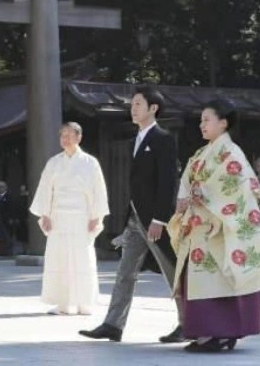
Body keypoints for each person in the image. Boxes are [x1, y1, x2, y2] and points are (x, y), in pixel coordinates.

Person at [166, 99, 260, 353]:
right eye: (201, 120)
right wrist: (187, 199)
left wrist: (204, 195)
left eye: (207, 120)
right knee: (202, 281)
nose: (202, 125)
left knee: (222, 277)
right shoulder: (201, 154)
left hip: (220, 226)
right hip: (200, 224)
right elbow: (187, 181)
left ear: (223, 123)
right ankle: (206, 331)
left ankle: (223, 332)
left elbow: (243, 186)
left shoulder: (232, 153)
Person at [79, 85, 183, 344]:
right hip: (135, 219)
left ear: (153, 108)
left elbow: (168, 182)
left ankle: (188, 323)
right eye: (132, 104)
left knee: (173, 271)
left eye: (137, 104)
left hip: (156, 221)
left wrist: (160, 218)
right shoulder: (135, 139)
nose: (132, 108)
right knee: (125, 272)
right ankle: (113, 324)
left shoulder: (163, 138)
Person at [30, 122, 109, 315]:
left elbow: (98, 191)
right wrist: (45, 214)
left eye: (68, 135)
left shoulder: (90, 163)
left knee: (83, 258)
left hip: (82, 216)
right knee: (60, 258)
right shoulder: (54, 163)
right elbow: (46, 189)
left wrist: (96, 215)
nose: (64, 139)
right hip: (59, 217)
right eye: (62, 135)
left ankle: (84, 302)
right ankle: (64, 303)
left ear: (78, 137)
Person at [0, 180, 18, 256]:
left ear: (5, 187)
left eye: (2, 187)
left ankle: (9, 251)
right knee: (1, 236)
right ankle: (2, 251)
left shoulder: (9, 196)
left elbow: (12, 208)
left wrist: (11, 218)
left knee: (8, 235)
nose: (0, 188)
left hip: (7, 219)